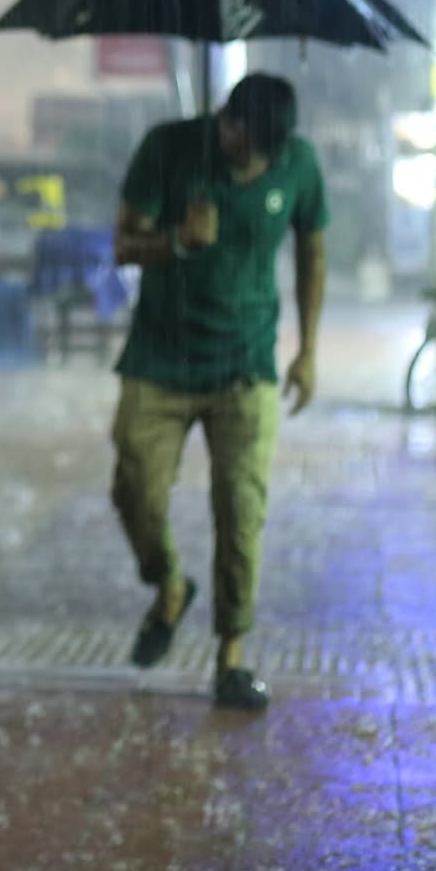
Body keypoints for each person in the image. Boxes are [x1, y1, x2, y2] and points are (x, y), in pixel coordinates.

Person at [108, 72, 327, 712]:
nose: (247, 162)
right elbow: (122, 244)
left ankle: (231, 654)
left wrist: (308, 350)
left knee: (241, 507)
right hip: (160, 360)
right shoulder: (168, 149)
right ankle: (170, 585)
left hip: (245, 363)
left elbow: (313, 253)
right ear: (224, 120)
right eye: (239, 145)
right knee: (135, 489)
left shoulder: (298, 165)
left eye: (261, 154)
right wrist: (175, 241)